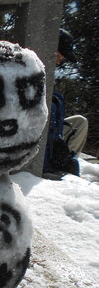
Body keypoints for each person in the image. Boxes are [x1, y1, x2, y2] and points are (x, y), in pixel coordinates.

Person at [43, 29, 88, 177]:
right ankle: (57, 163)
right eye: (58, 55)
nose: (59, 61)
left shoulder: (48, 73)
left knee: (80, 122)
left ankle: (66, 158)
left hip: (53, 135)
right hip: (39, 133)